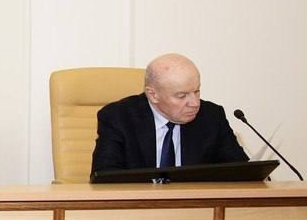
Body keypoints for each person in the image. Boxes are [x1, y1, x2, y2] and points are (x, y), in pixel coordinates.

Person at [90, 53, 248, 175]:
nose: (194, 103)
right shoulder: (118, 117)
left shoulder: (212, 117)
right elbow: (105, 176)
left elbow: (240, 171)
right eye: (182, 96)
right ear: (153, 95)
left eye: (196, 91)